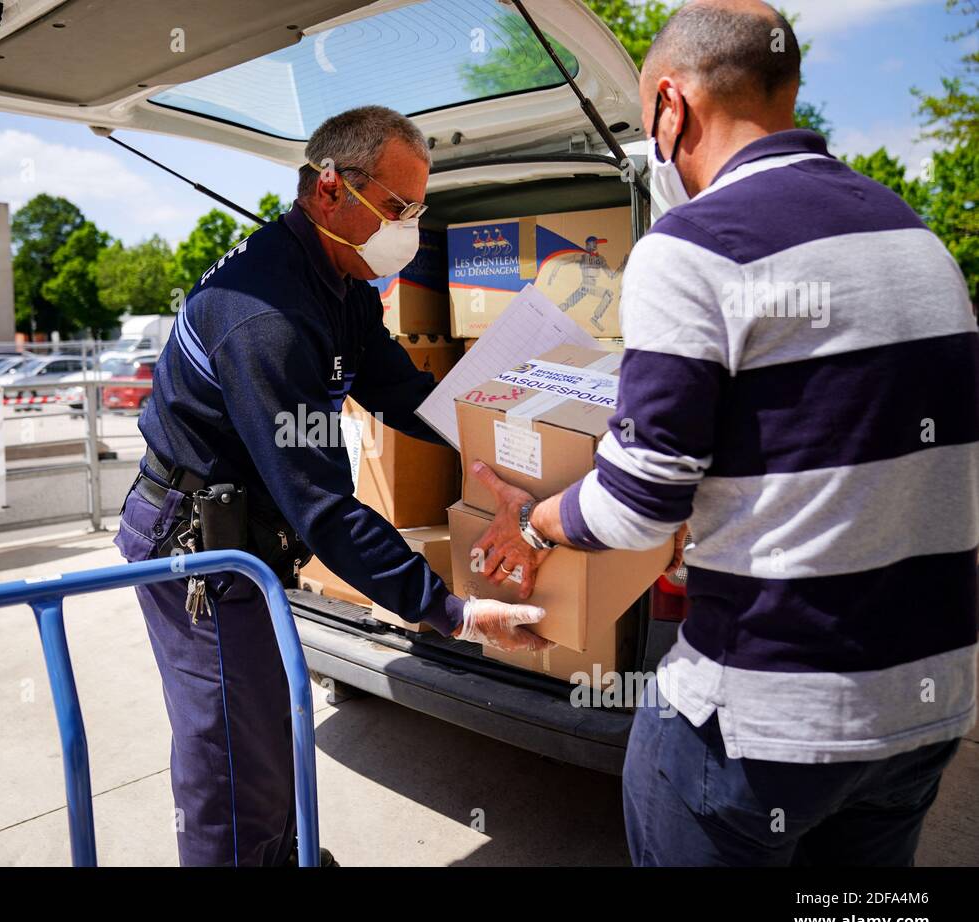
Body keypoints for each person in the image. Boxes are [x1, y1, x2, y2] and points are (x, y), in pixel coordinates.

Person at [472, 0, 977, 866]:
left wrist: (530, 520)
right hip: (924, 708)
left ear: (671, 107)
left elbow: (634, 505)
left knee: (662, 768)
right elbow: (845, 449)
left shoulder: (693, 246)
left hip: (767, 721)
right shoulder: (914, 236)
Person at [114, 105, 547, 867]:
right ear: (327, 190)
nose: (407, 226)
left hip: (247, 537)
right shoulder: (266, 316)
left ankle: (283, 854)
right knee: (229, 754)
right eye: (396, 206)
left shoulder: (338, 280)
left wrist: (505, 447)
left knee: (271, 725)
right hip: (197, 553)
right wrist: (454, 611)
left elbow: (399, 391)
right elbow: (323, 509)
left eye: (417, 209)